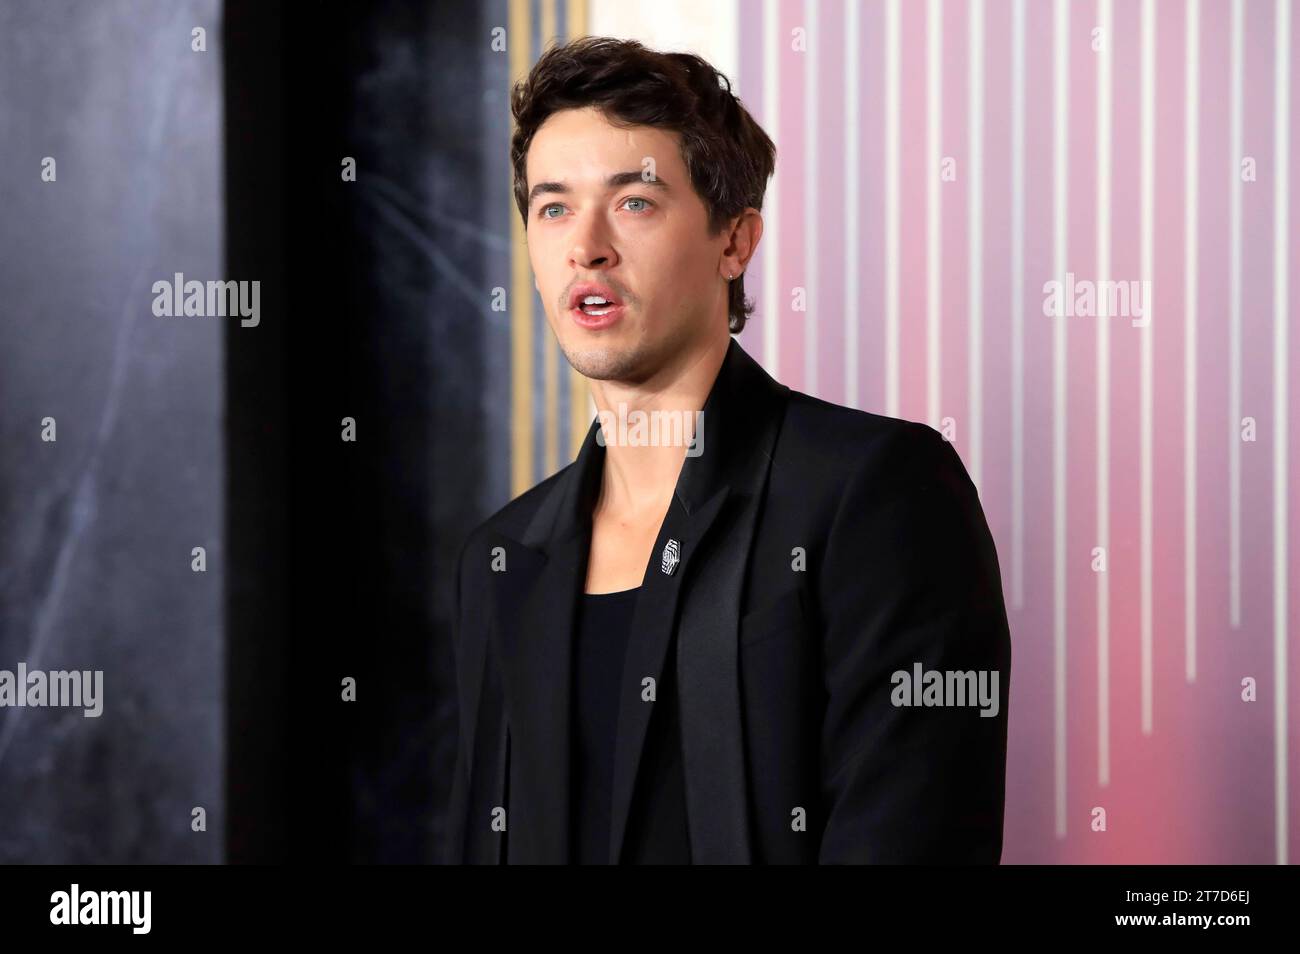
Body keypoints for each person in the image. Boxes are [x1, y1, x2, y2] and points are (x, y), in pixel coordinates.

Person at [442, 36, 1010, 864]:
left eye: (634, 202)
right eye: (553, 206)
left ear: (735, 243)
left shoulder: (877, 490)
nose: (586, 245)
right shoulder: (501, 556)